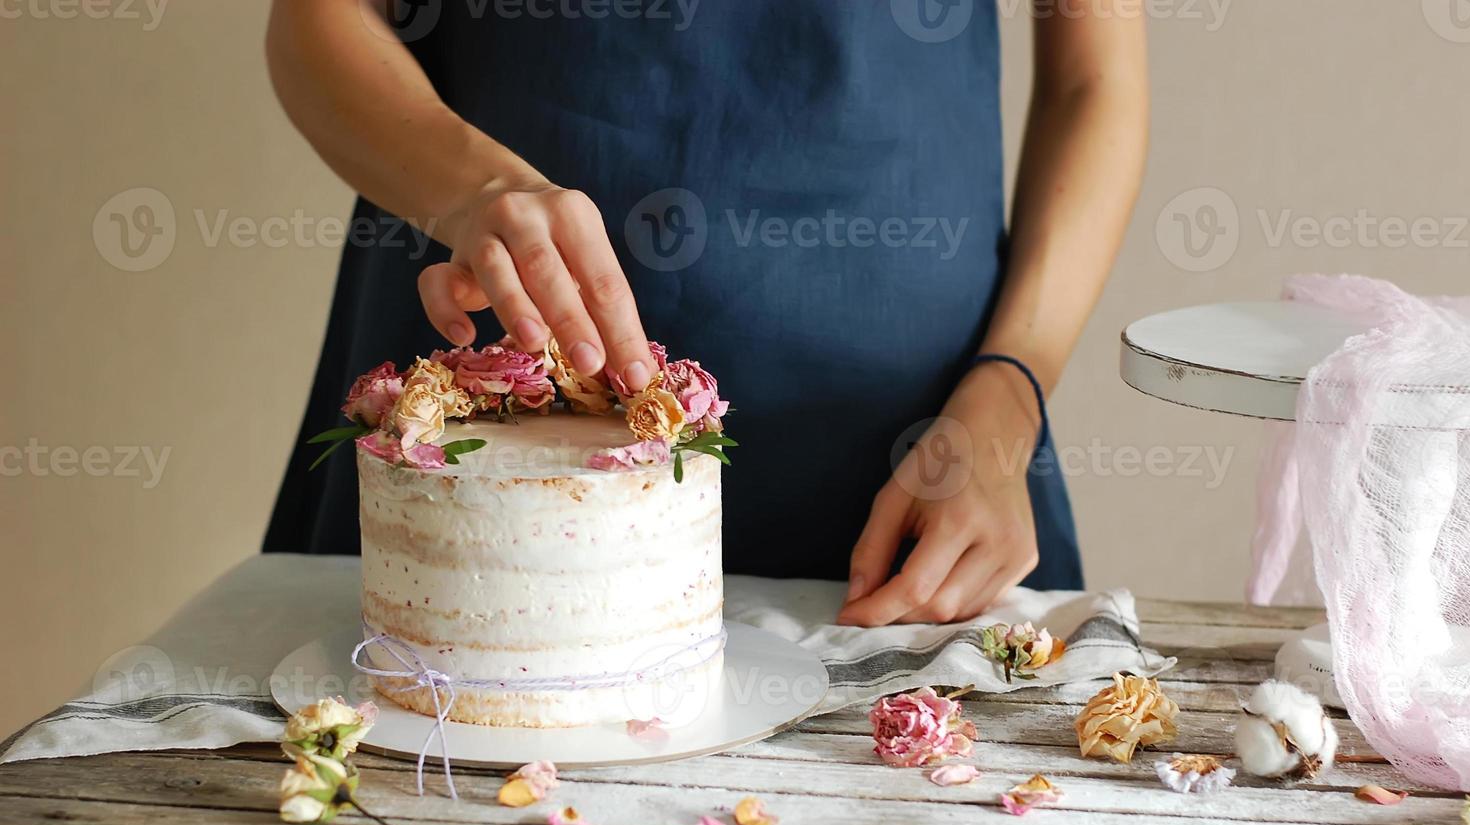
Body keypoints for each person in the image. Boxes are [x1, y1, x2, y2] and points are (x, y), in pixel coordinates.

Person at [263, 0, 1148, 627]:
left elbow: (1093, 81)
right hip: (477, 422)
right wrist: (472, 188)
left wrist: (1011, 390)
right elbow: (317, 19)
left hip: (921, 459)